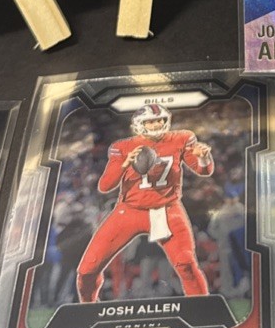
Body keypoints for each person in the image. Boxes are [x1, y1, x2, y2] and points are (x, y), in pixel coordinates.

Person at [75, 103, 214, 301]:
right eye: (151, 121)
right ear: (139, 124)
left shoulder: (180, 138)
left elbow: (204, 171)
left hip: (167, 209)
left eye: (160, 120)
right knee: (87, 270)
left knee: (186, 264)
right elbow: (105, 186)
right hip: (130, 211)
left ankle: (202, 309)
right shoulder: (122, 147)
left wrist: (204, 158)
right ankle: (88, 308)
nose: (157, 125)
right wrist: (124, 164)